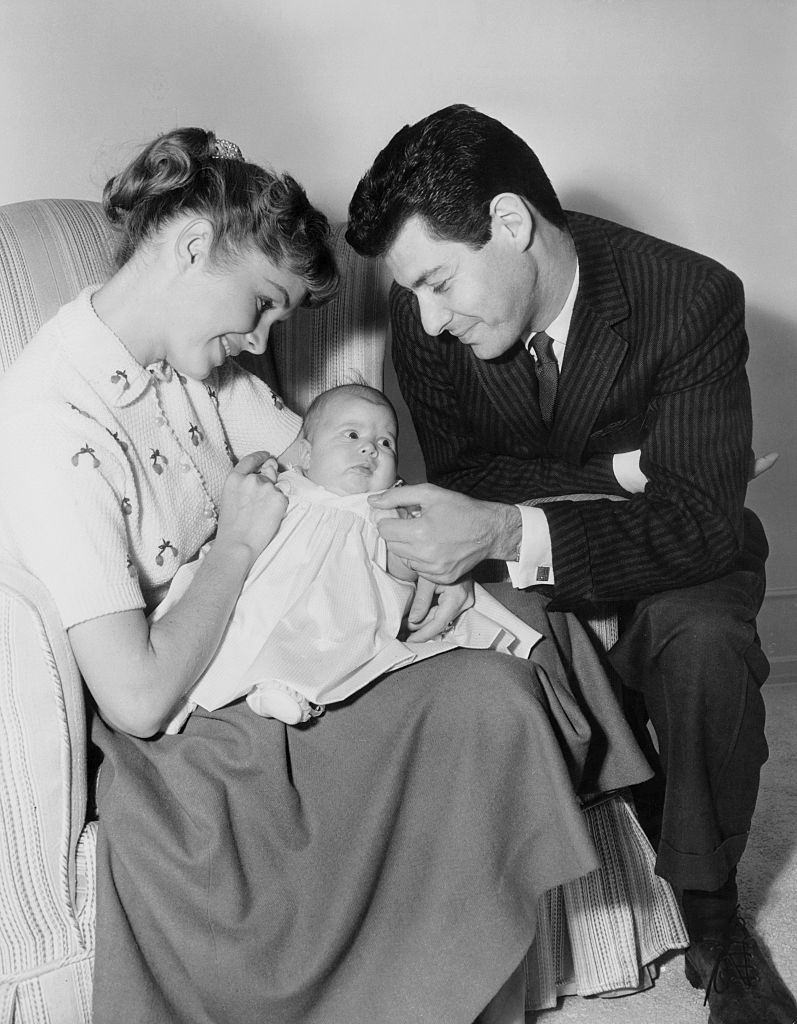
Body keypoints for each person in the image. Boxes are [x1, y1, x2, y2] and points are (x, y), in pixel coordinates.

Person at [0, 127, 655, 1024]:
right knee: (480, 701)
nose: (266, 340)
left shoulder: (200, 368)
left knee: (512, 663)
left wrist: (437, 568)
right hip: (198, 705)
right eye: (264, 304)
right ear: (193, 248)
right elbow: (139, 699)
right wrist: (234, 546)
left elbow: (338, 480)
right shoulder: (51, 427)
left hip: (292, 636)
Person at [346, 103, 796, 1024]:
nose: (425, 325)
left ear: (510, 224)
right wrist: (621, 477)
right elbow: (470, 475)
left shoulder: (692, 296)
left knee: (704, 642)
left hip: (675, 562)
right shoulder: (418, 309)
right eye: (415, 293)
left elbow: (702, 529)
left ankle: (713, 920)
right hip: (561, 556)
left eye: (438, 282)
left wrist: (518, 530)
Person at [157, 382, 541, 728]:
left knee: (333, 630)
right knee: (234, 626)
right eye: (352, 434)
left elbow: (404, 571)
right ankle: (188, 691)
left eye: (386, 443)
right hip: (263, 588)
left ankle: (287, 685)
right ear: (305, 454)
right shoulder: (285, 488)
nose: (370, 448)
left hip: (336, 606)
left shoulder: (385, 507)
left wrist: (412, 555)